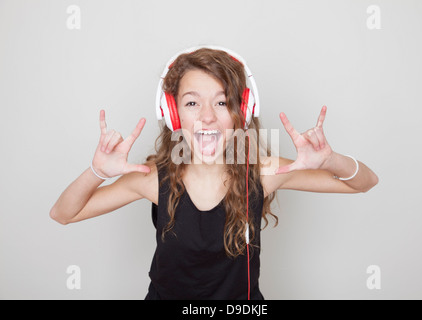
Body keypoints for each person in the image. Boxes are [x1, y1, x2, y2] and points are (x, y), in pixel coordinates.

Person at [50, 47, 378, 300]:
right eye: (192, 103)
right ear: (173, 114)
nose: (207, 117)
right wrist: (97, 171)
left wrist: (331, 160)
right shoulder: (152, 178)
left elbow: (365, 183)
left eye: (221, 103)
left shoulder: (264, 171)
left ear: (242, 112)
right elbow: (63, 213)